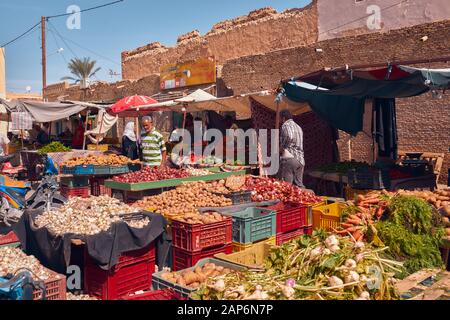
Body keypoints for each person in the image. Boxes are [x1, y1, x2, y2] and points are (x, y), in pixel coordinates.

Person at [279, 109, 305, 188]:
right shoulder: (298, 127)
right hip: (300, 160)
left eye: (280, 118)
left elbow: (289, 136)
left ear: (283, 118)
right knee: (299, 186)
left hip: (290, 158)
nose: (280, 120)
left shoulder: (286, 125)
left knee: (287, 186)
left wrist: (282, 147)